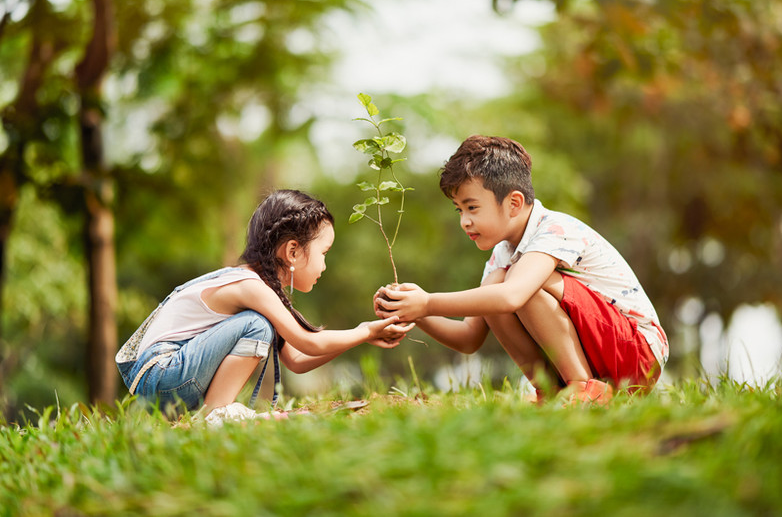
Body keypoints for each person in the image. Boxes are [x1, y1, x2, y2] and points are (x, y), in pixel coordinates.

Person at [375, 136, 668, 405]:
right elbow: (468, 337)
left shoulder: (555, 230)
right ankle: (553, 392)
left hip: (637, 354)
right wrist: (416, 311)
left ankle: (583, 386)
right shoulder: (502, 255)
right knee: (494, 287)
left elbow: (513, 296)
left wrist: (428, 301)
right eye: (459, 210)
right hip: (602, 353)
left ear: (514, 202)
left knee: (512, 284)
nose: (464, 221)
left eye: (472, 207)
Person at [117, 189, 412, 419]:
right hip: (163, 374)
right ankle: (216, 413)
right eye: (324, 252)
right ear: (293, 251)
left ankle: (213, 412)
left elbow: (297, 359)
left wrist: (361, 337)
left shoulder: (261, 289)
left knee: (260, 324)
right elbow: (309, 342)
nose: (325, 265)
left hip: (166, 380)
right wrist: (366, 331)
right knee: (256, 326)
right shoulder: (249, 287)